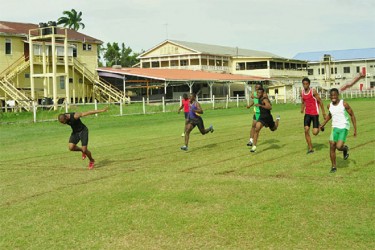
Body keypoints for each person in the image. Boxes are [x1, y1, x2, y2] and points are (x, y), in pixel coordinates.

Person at [320, 88, 357, 173]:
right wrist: (323, 124)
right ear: (330, 96)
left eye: (335, 95)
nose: (333, 97)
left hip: (344, 127)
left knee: (339, 146)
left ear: (338, 95)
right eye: (331, 95)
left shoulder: (344, 104)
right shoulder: (329, 106)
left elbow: (352, 115)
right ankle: (333, 167)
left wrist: (355, 129)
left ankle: (345, 149)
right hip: (334, 128)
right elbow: (330, 115)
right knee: (332, 145)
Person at [300, 77, 326, 154]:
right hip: (307, 113)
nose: (305, 85)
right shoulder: (302, 92)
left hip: (314, 113)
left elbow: (320, 101)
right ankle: (310, 148)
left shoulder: (313, 91)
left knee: (315, 132)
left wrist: (324, 113)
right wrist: (302, 109)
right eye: (304, 84)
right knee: (306, 130)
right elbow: (303, 101)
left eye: (306, 84)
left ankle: (319, 125)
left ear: (309, 84)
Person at [250, 87, 280, 153]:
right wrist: (253, 97)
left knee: (274, 129)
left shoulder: (264, 99)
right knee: (256, 129)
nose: (258, 94)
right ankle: (254, 146)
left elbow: (270, 107)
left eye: (259, 93)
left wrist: (260, 105)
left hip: (268, 118)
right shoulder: (259, 97)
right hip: (262, 117)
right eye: (257, 92)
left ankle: (277, 119)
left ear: (263, 93)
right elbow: (257, 97)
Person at [247, 82, 267, 147]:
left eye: (257, 87)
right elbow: (254, 101)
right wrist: (249, 105)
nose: (256, 88)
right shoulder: (255, 93)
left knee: (257, 128)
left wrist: (254, 96)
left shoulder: (264, 94)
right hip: (256, 113)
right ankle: (250, 141)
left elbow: (261, 99)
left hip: (263, 113)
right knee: (253, 126)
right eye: (255, 87)